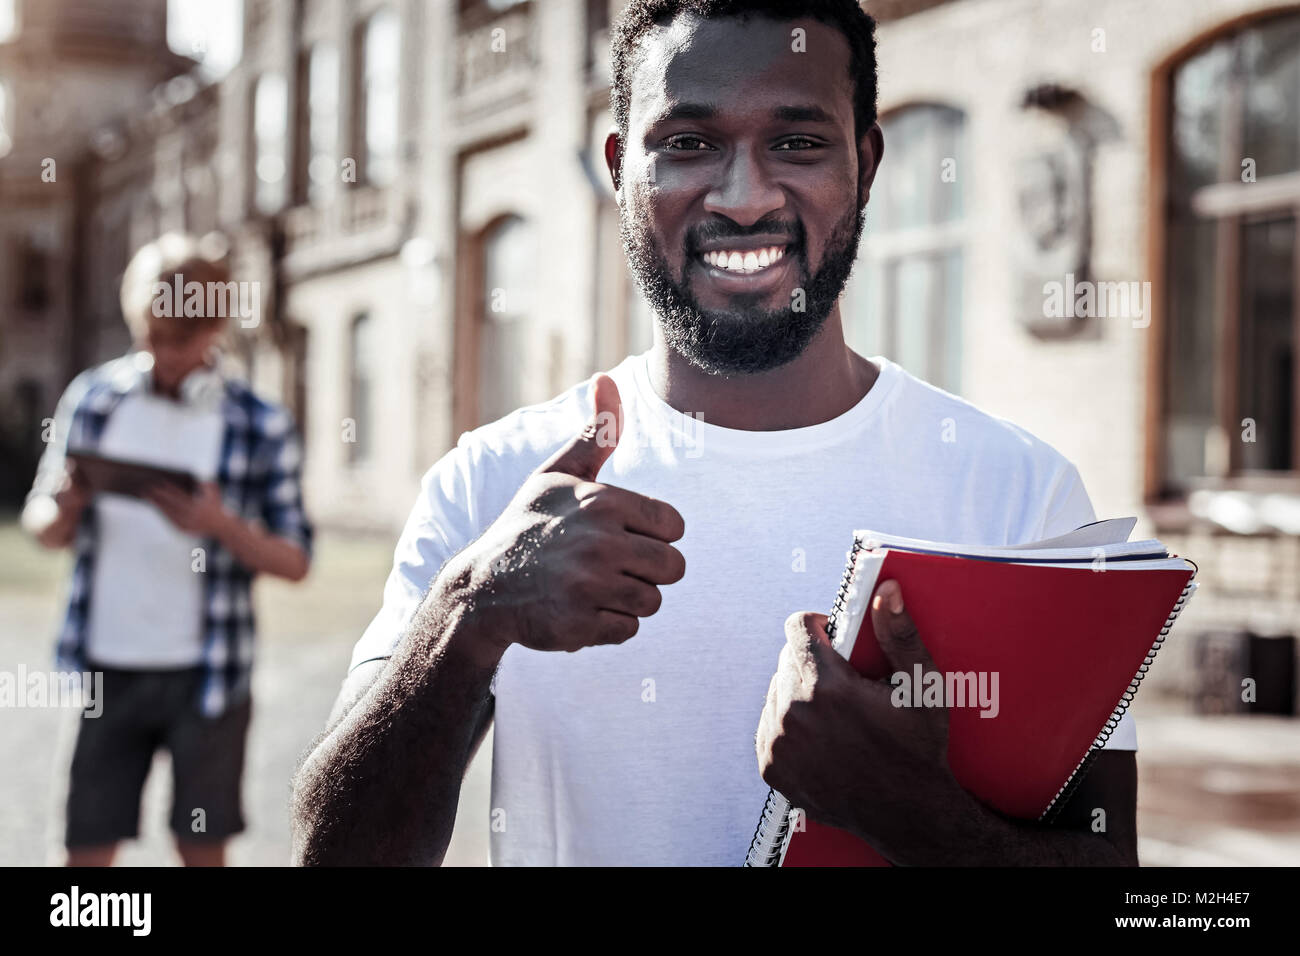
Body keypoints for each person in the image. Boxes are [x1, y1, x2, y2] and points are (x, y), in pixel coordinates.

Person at [292, 0, 1138, 866]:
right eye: (689, 144)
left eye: (798, 143)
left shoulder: (1016, 496)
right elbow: (330, 856)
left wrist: (905, 808)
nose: (743, 199)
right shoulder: (497, 482)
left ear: (867, 163)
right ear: (620, 169)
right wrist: (469, 613)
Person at [24, 232, 313, 867]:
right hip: (108, 668)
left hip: (208, 676)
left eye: (180, 342)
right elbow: (41, 525)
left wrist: (221, 526)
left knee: (200, 848)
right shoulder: (94, 399)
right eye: (151, 337)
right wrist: (66, 505)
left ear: (215, 329)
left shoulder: (259, 422)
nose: (163, 356)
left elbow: (296, 561)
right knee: (84, 854)